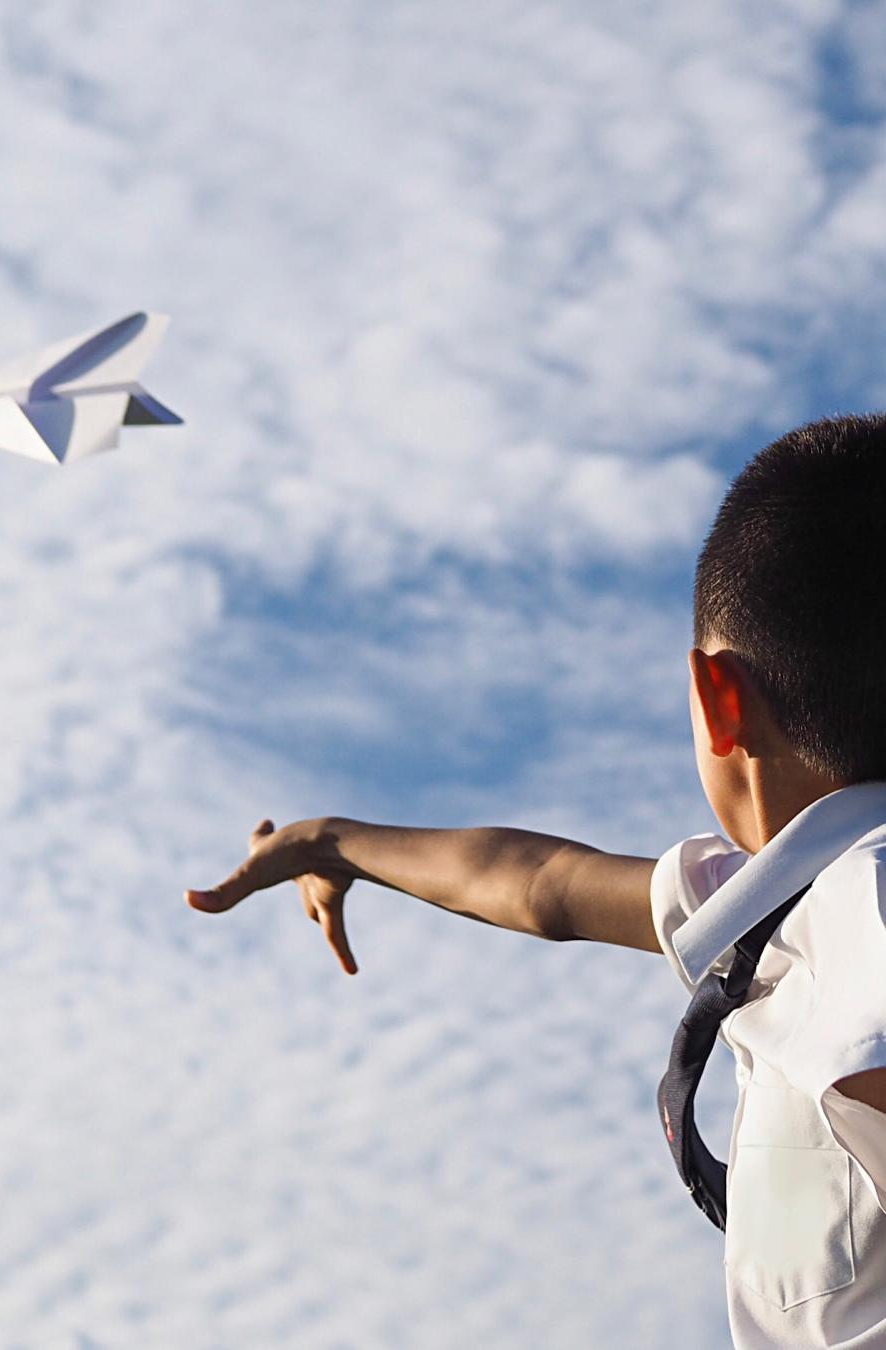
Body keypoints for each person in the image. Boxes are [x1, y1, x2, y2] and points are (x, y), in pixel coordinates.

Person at [186, 414, 886, 1349]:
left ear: (719, 701)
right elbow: (542, 884)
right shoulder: (781, 904)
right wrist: (333, 842)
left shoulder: (862, 902)